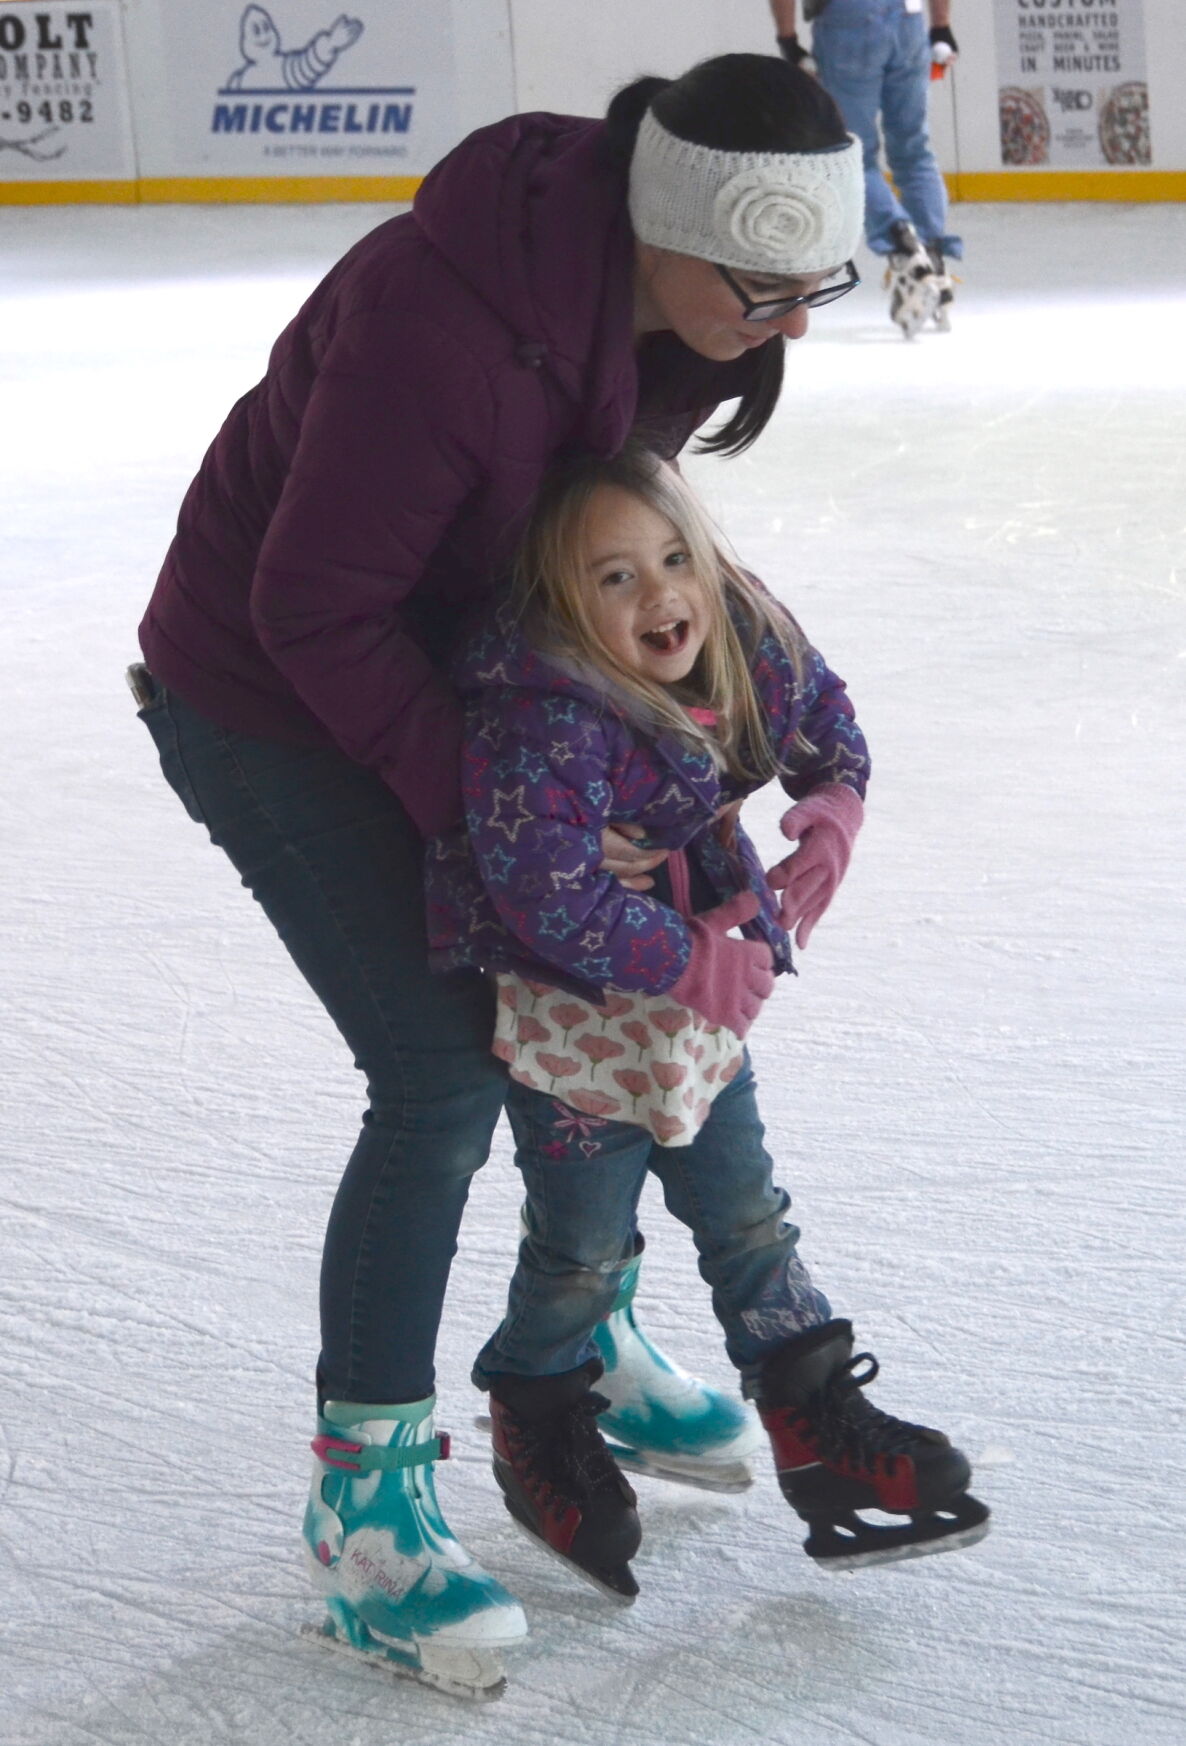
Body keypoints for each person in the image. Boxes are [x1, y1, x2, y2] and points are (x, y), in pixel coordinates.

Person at [131, 53, 867, 1699]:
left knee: (581, 975)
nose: (793, 324)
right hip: (264, 698)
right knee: (441, 1069)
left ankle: (579, 1328)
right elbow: (310, 609)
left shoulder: (673, 320)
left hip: (457, 680)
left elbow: (607, 551)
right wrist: (492, 826)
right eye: (768, 285)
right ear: (669, 232)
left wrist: (793, 748)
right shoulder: (439, 335)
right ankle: (367, 1517)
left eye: (816, 285)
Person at [426, 445, 990, 1602]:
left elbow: (819, 709)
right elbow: (544, 895)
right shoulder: (538, 718)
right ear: (559, 602)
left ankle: (812, 1415)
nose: (660, 595)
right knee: (581, 1251)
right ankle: (533, 1411)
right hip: (579, 1029)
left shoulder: (736, 633)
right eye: (614, 579)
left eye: (672, 558)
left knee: (747, 1218)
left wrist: (833, 804)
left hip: (697, 1017)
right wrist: (683, 958)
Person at [770, 0, 962, 335]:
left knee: (851, 151)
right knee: (914, 149)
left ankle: (904, 247)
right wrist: (941, 24)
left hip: (848, 22)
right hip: (908, 17)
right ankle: (932, 255)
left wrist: (787, 38)